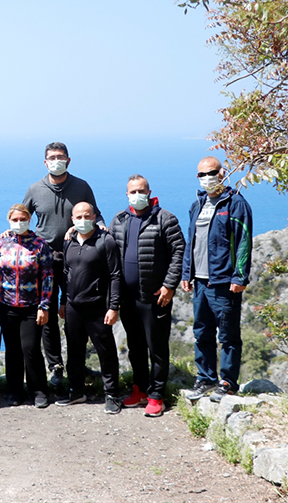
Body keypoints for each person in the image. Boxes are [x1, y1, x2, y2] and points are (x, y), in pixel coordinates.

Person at [22, 141, 105, 391]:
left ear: (68, 160)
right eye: (51, 157)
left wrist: (101, 227)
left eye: (60, 156)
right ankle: (55, 366)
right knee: (46, 315)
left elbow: (96, 214)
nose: (56, 160)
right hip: (44, 260)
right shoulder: (35, 189)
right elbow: (22, 217)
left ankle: (77, 364)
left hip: (76, 257)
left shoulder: (81, 186)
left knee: (74, 312)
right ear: (45, 162)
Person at [109, 176, 185, 417]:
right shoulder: (120, 220)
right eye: (132, 191)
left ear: (150, 192)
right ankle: (140, 390)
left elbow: (178, 251)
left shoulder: (165, 218)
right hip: (129, 299)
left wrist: (169, 285)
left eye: (141, 190)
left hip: (155, 298)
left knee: (157, 348)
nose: (137, 194)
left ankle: (156, 395)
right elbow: (107, 248)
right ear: (127, 194)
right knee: (136, 347)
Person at [181, 157, 253, 403]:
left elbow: (243, 241)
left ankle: (228, 382)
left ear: (222, 173)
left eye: (211, 172)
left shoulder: (235, 203)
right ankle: (206, 378)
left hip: (224, 283)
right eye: (201, 174)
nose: (206, 178)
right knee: (202, 332)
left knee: (228, 335)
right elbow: (192, 242)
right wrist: (186, 274)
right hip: (200, 282)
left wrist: (240, 275)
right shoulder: (197, 204)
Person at [56, 202, 122, 414]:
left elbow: (115, 275)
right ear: (72, 220)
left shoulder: (106, 241)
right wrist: (63, 302)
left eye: (87, 216)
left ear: (94, 217)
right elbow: (66, 274)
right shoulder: (69, 242)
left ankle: (112, 394)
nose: (83, 220)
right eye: (78, 216)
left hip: (97, 307)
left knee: (106, 351)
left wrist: (113, 307)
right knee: (74, 351)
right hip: (74, 307)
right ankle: (76, 391)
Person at [0, 204, 54, 408]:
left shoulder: (39, 244)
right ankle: (15, 391)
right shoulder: (0, 243)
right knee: (12, 349)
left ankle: (39, 391)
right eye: (15, 220)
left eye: (23, 219)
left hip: (31, 306)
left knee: (30, 348)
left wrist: (44, 306)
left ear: (29, 220)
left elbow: (47, 276)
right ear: (9, 221)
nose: (19, 223)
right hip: (6, 306)